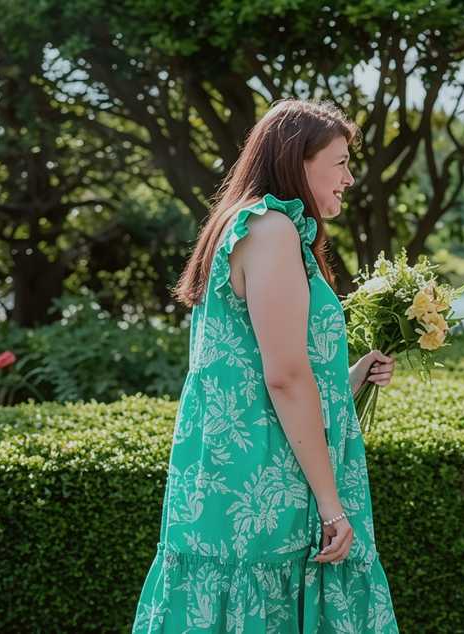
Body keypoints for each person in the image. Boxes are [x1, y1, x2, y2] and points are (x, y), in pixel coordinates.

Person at [132, 99, 399, 633]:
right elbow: (284, 377)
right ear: (299, 161)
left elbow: (261, 372)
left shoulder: (250, 225)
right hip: (264, 482)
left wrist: (348, 378)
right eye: (341, 163)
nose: (349, 179)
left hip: (242, 469)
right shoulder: (271, 230)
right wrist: (331, 506)